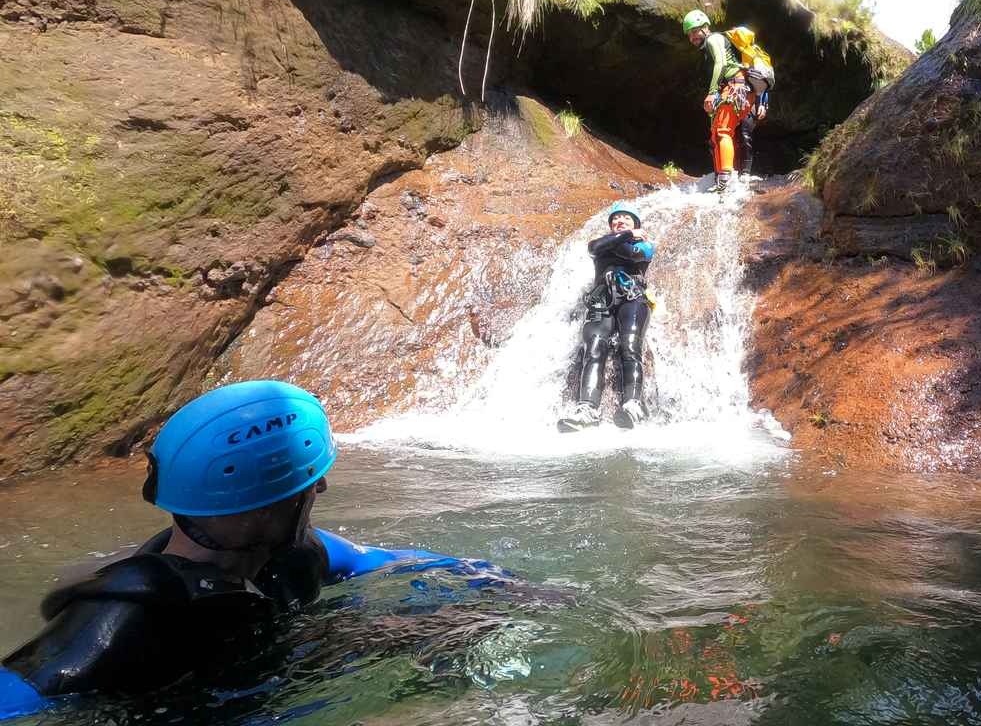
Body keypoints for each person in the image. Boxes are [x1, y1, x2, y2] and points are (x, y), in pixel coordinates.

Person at [0, 381, 505, 719]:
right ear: (270, 507)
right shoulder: (121, 617)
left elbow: (380, 560)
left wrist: (493, 580)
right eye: (311, 487)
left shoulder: (292, 554)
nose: (320, 494)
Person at [559, 203, 655, 432]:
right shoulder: (601, 243)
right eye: (616, 219)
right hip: (600, 302)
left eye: (627, 219)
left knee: (630, 346)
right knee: (593, 349)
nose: (620, 220)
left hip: (633, 299)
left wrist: (621, 240)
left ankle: (633, 405)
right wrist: (627, 234)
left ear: (637, 226)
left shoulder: (645, 246)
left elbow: (628, 253)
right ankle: (587, 409)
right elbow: (595, 247)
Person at [683, 9, 750, 194]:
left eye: (694, 31)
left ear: (705, 28)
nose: (692, 37)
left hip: (735, 85)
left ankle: (726, 180)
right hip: (729, 88)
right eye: (689, 34)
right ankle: (722, 176)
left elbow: (721, 63)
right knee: (715, 135)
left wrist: (712, 92)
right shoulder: (707, 46)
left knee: (722, 131)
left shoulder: (714, 39)